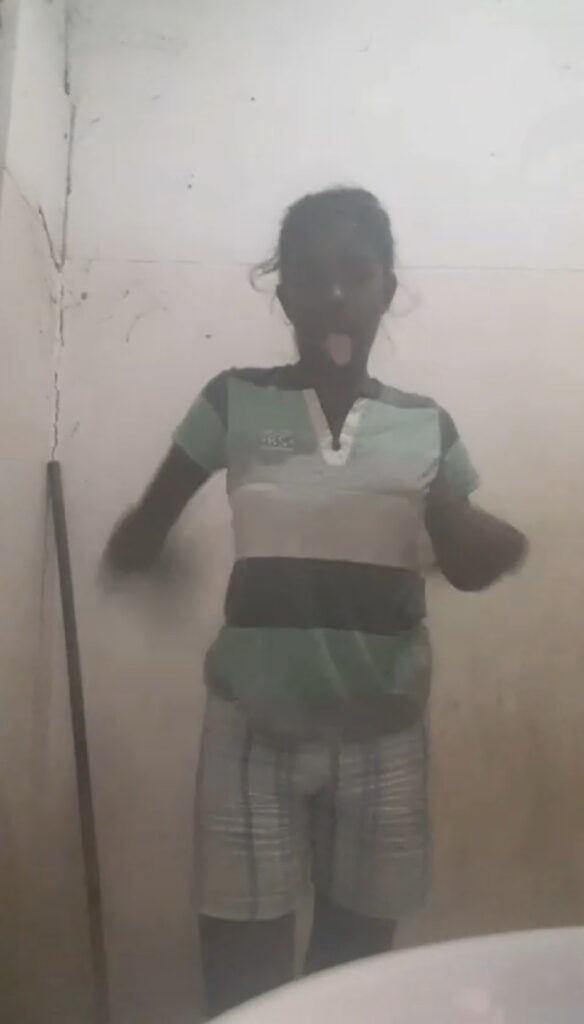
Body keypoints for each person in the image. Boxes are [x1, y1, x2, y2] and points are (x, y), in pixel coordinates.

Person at [105, 187, 528, 1018]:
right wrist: (144, 555)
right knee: (246, 986)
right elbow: (143, 528)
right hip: (251, 731)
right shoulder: (234, 401)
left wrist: (487, 535)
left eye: (355, 273)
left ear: (385, 288)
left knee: (353, 986)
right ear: (285, 293)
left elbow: (468, 561)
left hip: (385, 736)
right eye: (310, 274)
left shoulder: (426, 425)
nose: (334, 294)